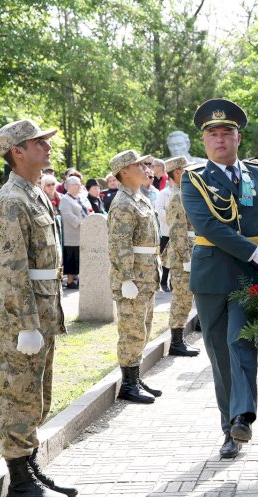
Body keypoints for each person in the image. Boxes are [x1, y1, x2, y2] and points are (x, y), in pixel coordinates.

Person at [181, 98, 258, 459]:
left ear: (237, 138)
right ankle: (228, 426)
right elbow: (209, 226)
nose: (219, 140)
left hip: (249, 277)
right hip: (213, 274)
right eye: (212, 134)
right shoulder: (194, 179)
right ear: (205, 141)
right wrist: (254, 250)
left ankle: (243, 416)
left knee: (240, 343)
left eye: (226, 133)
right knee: (218, 354)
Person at [0, 119, 76, 497]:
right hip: (21, 318)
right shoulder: (11, 200)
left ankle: (29, 467)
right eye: (37, 141)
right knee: (18, 395)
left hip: (41, 314)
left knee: (37, 395)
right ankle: (20, 483)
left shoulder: (34, 193)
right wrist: (26, 323)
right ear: (17, 152)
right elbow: (11, 269)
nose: (47, 146)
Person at [107, 149, 162, 405]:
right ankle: (128, 384)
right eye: (138, 164)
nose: (145, 167)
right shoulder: (122, 203)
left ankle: (135, 377)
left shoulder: (140, 198)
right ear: (124, 171)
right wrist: (126, 278)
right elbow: (120, 245)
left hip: (146, 275)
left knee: (144, 327)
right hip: (133, 278)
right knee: (131, 330)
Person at [164, 156, 201, 357]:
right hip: (182, 254)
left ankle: (179, 340)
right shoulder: (178, 195)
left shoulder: (183, 192)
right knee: (182, 299)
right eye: (186, 169)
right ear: (178, 172)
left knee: (186, 298)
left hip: (189, 250)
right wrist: (186, 259)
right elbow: (177, 231)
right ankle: (176, 342)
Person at [59, 176, 91, 289]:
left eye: (79, 184)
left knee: (79, 257)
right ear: (69, 186)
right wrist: (81, 223)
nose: (79, 186)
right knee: (71, 257)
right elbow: (67, 215)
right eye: (76, 184)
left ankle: (78, 279)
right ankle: (70, 280)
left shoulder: (79, 197)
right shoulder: (65, 199)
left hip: (83, 233)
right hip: (72, 234)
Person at [154, 171, 172, 292]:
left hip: (181, 232)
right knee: (165, 259)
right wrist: (172, 218)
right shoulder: (163, 193)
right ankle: (164, 281)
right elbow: (159, 210)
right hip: (167, 231)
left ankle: (173, 282)